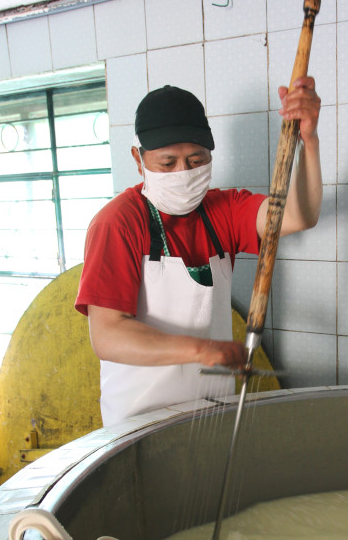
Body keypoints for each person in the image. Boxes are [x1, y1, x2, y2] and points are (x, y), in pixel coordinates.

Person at [75, 78, 322, 426]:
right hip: (139, 423)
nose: (183, 174)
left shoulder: (222, 210)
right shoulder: (117, 224)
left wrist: (308, 140)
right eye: (167, 163)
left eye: (196, 160)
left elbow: (300, 214)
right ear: (138, 158)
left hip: (213, 416)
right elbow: (108, 335)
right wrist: (202, 350)